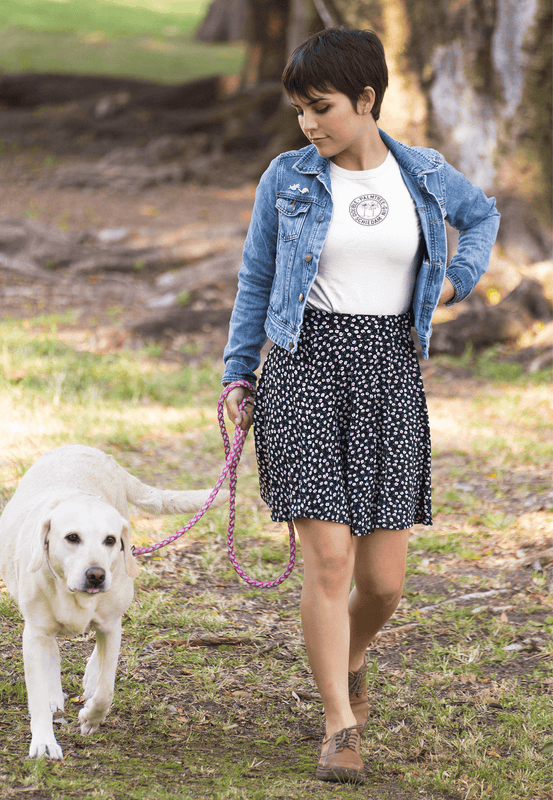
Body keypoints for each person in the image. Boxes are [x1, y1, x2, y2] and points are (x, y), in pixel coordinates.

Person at [222, 28, 500, 784]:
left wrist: (453, 283)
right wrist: (238, 375)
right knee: (331, 559)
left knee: (381, 584)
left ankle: (349, 658)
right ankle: (339, 726)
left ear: (367, 99)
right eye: (299, 110)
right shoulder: (288, 179)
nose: (309, 124)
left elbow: (484, 217)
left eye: (323, 107)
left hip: (388, 373)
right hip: (304, 366)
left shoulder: (425, 174)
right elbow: (255, 281)